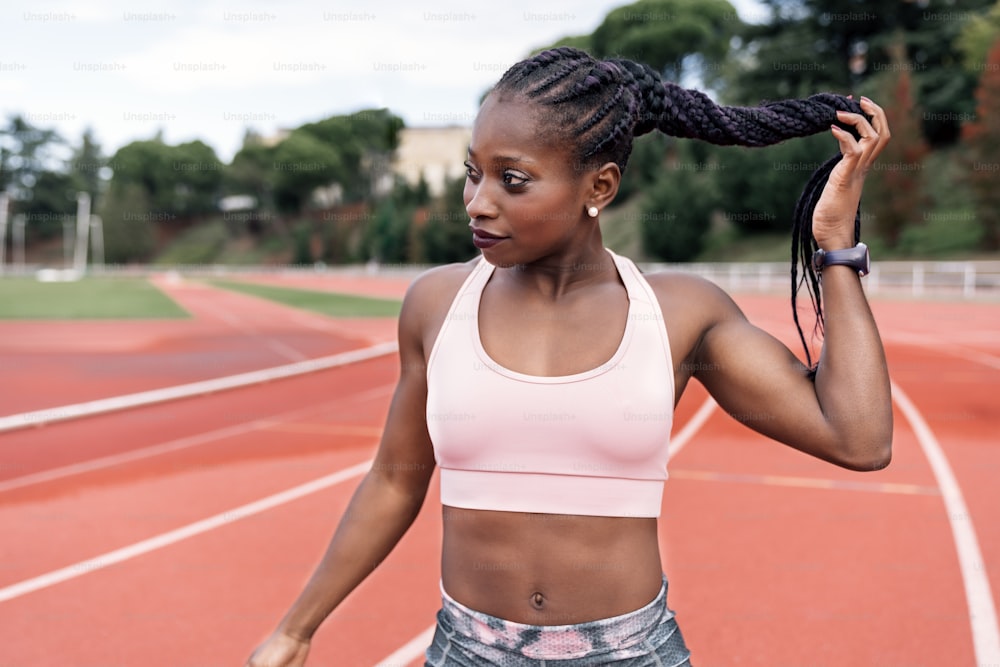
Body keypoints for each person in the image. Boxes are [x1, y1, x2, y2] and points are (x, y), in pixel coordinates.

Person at [245, 46, 893, 666]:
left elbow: (858, 437)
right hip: (465, 652)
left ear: (601, 186)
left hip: (631, 653)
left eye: (513, 180)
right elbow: (394, 479)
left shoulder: (679, 314)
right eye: (474, 172)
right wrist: (295, 629)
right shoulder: (436, 304)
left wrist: (835, 245)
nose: (478, 201)